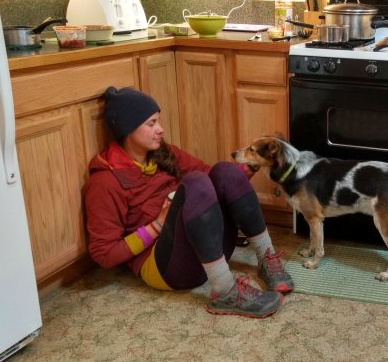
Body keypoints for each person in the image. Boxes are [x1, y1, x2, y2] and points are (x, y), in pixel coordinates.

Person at [84, 86, 294, 318]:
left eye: (158, 121)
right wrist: (157, 225)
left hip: (209, 253)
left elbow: (216, 180)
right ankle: (225, 291)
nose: (160, 129)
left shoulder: (164, 152)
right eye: (151, 124)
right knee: (196, 182)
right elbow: (104, 254)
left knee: (225, 171)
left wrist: (244, 172)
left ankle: (266, 257)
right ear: (128, 128)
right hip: (167, 270)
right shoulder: (104, 182)